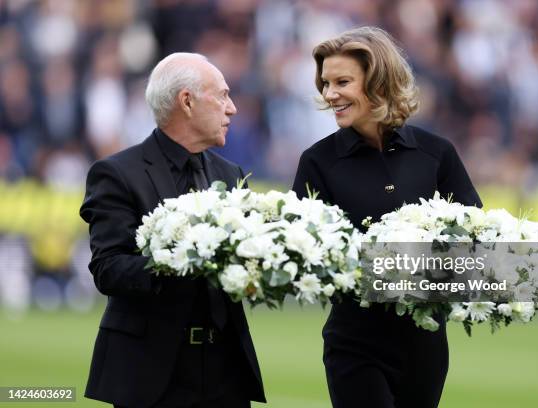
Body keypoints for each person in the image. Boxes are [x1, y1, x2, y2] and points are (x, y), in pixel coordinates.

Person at [292, 27, 482, 408]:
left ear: (378, 81)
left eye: (342, 81)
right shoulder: (317, 161)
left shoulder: (436, 153)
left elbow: (474, 240)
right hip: (355, 342)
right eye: (326, 83)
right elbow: (304, 255)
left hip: (425, 344)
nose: (330, 94)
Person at [80, 53, 265, 408]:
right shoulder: (117, 173)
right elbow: (108, 269)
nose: (233, 109)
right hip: (149, 374)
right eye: (223, 95)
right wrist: (182, 256)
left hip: (226, 371)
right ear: (187, 102)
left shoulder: (231, 174)